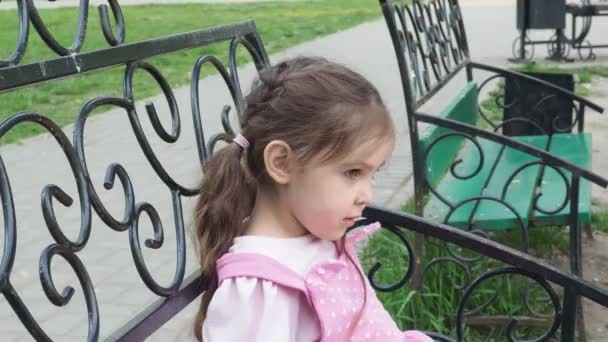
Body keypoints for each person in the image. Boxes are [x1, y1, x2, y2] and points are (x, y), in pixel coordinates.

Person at [192, 56, 432, 342]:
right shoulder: (259, 289)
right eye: (353, 172)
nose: (367, 195)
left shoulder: (315, 234)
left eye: (373, 174)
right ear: (282, 163)